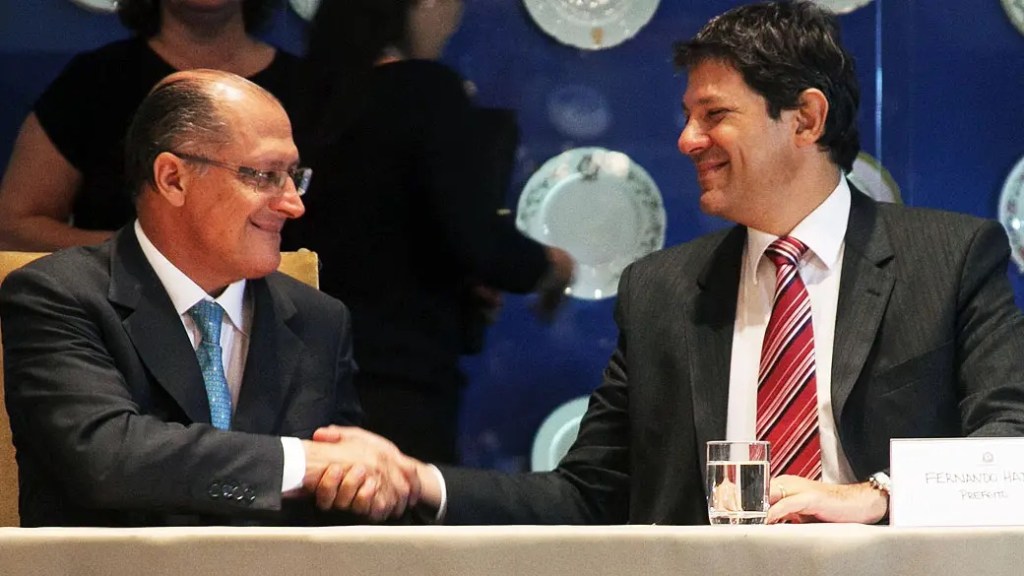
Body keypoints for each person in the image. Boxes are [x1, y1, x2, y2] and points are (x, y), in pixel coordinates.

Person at [310, 0, 1024, 525]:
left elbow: (1011, 447)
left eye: (714, 115)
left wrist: (874, 495)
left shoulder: (950, 259)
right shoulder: (662, 289)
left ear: (806, 119)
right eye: (688, 116)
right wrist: (421, 480)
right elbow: (587, 494)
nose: (687, 140)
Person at [0, 69, 420, 527]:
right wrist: (301, 461)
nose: (293, 204)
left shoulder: (319, 319)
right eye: (264, 175)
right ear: (173, 179)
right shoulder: (58, 295)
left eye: (293, 177)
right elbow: (104, 457)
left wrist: (374, 482)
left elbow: (343, 496)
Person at [284, 0, 574, 465]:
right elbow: (475, 237)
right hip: (401, 377)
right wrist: (550, 266)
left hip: (300, 372)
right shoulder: (425, 90)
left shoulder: (306, 95)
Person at [0, 0, 302, 251]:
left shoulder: (312, 89)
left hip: (283, 297)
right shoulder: (95, 81)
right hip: (122, 300)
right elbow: (13, 228)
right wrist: (145, 254)